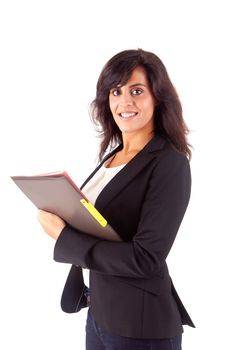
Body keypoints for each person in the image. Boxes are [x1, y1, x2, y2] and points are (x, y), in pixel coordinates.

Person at [38, 48, 195, 350]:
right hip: (99, 312)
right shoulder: (112, 156)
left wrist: (62, 235)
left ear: (158, 98)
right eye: (116, 91)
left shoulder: (169, 164)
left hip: (139, 324)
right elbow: (101, 225)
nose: (125, 102)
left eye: (137, 91)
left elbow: (146, 259)